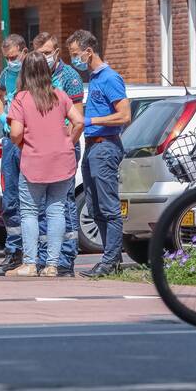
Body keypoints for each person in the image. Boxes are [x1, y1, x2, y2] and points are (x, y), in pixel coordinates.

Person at [7, 53, 84, 277]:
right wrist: (69, 141)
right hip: (62, 160)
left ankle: (30, 263)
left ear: (25, 72)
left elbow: (16, 133)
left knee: (29, 212)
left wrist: (22, 144)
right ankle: (52, 265)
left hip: (34, 161)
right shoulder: (59, 95)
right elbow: (79, 121)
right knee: (57, 210)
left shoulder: (21, 98)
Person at [68, 30, 130, 277]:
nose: (74, 59)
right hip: (92, 146)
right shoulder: (94, 78)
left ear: (89, 51)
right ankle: (111, 258)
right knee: (94, 207)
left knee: (108, 206)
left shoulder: (110, 78)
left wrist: (91, 120)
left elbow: (124, 115)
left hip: (105, 146)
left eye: (76, 54)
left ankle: (111, 260)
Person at [32, 32, 85, 277]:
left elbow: (78, 118)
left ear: (56, 52)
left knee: (64, 202)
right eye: (39, 53)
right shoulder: (36, 77)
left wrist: (67, 144)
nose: (43, 58)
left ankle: (65, 257)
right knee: (43, 206)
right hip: (43, 149)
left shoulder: (69, 77)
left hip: (64, 146)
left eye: (46, 53)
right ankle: (47, 258)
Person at [0, 34, 28, 277]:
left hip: (28, 140)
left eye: (14, 57)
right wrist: (3, 115)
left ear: (24, 52)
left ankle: (36, 254)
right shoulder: (7, 74)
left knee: (32, 198)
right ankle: (14, 252)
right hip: (9, 139)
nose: (11, 61)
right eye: (7, 58)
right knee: (11, 199)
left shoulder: (32, 72)